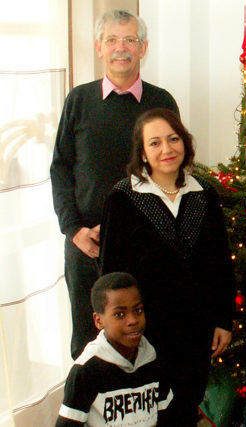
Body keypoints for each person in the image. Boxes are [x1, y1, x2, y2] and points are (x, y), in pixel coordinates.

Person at [50, 9, 179, 360]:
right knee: (87, 344)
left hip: (145, 247)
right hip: (85, 247)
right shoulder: (78, 100)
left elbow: (173, 174)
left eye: (130, 40)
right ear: (98, 47)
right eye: (112, 40)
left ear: (143, 48)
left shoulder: (161, 102)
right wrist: (74, 230)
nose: (121, 48)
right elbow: (60, 169)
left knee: (147, 339)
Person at [99, 108, 235, 425]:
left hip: (196, 331)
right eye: (155, 143)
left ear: (184, 143)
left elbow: (220, 264)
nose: (167, 149)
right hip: (145, 332)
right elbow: (109, 275)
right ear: (143, 152)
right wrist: (119, 328)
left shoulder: (204, 193)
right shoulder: (122, 197)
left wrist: (223, 319)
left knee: (186, 407)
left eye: (173, 139)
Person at [56, 272, 173, 426]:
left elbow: (168, 418)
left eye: (138, 310)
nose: (132, 321)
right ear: (99, 321)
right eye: (119, 314)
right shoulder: (86, 371)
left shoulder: (153, 361)